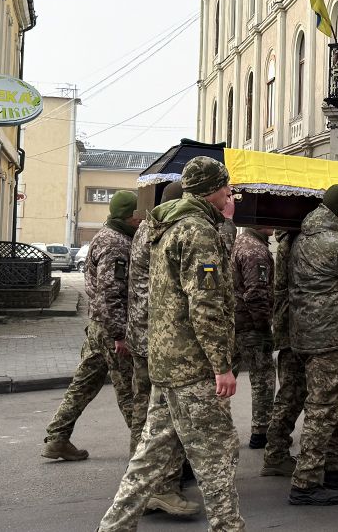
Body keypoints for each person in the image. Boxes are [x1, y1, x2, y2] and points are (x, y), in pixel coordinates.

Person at [98, 156, 246, 530]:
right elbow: (205, 304)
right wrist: (221, 365)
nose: (230, 193)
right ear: (214, 189)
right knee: (217, 454)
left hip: (165, 360)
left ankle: (114, 527)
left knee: (149, 456)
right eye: (226, 187)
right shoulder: (197, 231)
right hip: (191, 366)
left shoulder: (164, 225)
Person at [42, 191, 140, 461]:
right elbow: (111, 292)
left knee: (83, 384)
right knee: (130, 391)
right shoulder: (117, 243)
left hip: (99, 326)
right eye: (140, 214)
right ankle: (148, 456)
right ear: (131, 215)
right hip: (112, 329)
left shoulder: (108, 236)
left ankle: (57, 437)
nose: (143, 218)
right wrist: (120, 334)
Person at [286, 185, 338, 505]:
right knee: (323, 409)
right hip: (329, 337)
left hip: (306, 334)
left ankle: (335, 468)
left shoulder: (302, 238)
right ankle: (305, 483)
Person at [125, 181, 200, 517]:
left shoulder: (147, 229)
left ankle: (142, 483)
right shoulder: (170, 231)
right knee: (165, 415)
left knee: (147, 412)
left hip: (143, 335)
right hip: (161, 338)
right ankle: (163, 488)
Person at [261, 229, 305, 477]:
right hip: (293, 326)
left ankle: (276, 452)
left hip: (289, 325)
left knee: (291, 393)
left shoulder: (289, 239)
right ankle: (276, 453)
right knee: (291, 393)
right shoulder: (294, 240)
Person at [229, 226, 277, 448]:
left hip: (235, 322)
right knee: (263, 378)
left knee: (227, 375)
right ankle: (261, 431)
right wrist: (263, 326)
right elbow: (256, 292)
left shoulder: (241, 242)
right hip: (250, 325)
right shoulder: (255, 250)